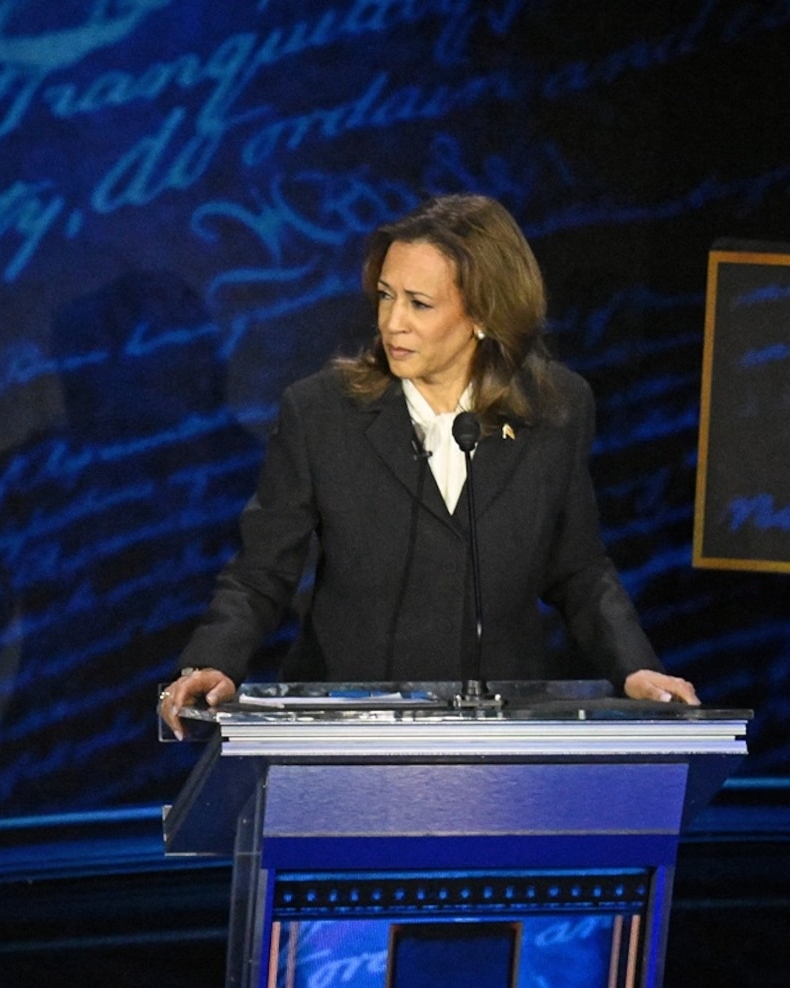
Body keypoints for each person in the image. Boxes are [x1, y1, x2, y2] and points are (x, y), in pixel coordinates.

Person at [159, 194, 698, 730]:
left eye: (419, 303)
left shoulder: (554, 407)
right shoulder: (322, 412)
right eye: (385, 296)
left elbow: (579, 568)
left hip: (499, 728)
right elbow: (261, 573)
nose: (393, 323)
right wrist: (214, 661)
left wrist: (636, 668)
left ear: (484, 313)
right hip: (349, 727)